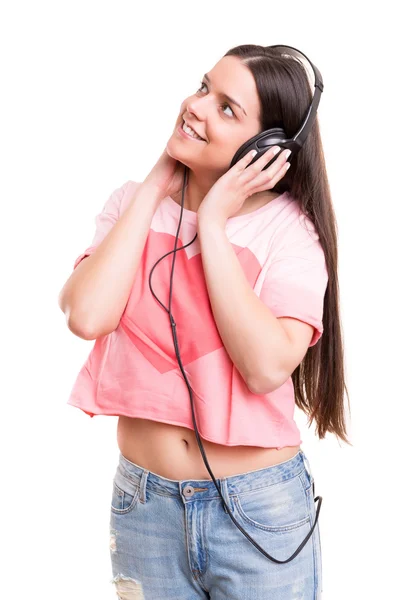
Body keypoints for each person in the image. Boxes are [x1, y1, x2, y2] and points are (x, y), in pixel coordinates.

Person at [59, 44, 350, 599]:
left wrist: (212, 222)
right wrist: (153, 189)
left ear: (266, 149)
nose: (196, 106)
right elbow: (88, 315)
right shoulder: (132, 204)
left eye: (227, 108)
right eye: (202, 88)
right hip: (144, 508)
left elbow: (265, 367)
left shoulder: (289, 233)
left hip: (257, 510)